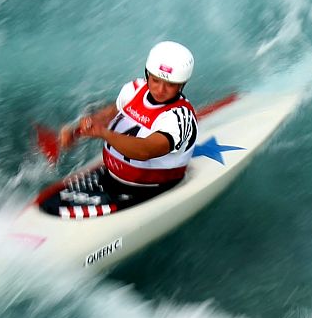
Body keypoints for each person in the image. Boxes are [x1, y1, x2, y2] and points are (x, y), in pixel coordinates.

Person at [40, 41, 198, 218]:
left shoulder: (179, 117)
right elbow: (109, 115)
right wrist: (76, 131)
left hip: (148, 189)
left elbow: (145, 150)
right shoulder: (134, 90)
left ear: (181, 84)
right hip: (109, 176)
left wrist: (104, 133)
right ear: (147, 74)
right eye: (155, 80)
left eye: (170, 84)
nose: (160, 90)